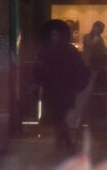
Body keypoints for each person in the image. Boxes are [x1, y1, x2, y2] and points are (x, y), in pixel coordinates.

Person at [35, 19, 92, 155]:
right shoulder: (49, 51)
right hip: (53, 89)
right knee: (58, 117)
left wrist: (77, 86)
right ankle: (63, 144)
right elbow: (40, 69)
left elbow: (79, 69)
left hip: (63, 89)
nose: (54, 37)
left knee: (59, 117)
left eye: (57, 35)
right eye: (52, 35)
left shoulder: (66, 51)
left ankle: (65, 144)